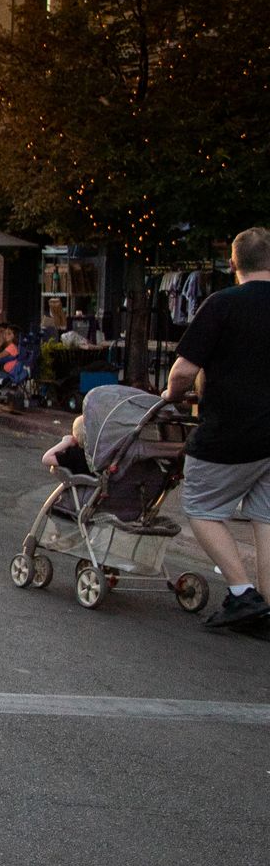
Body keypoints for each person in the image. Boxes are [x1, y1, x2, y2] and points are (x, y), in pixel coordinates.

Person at [163, 226, 270, 630]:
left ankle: (242, 594)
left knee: (202, 507)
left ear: (232, 264)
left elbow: (184, 371)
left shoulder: (223, 304)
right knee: (267, 519)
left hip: (229, 432)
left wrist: (172, 394)